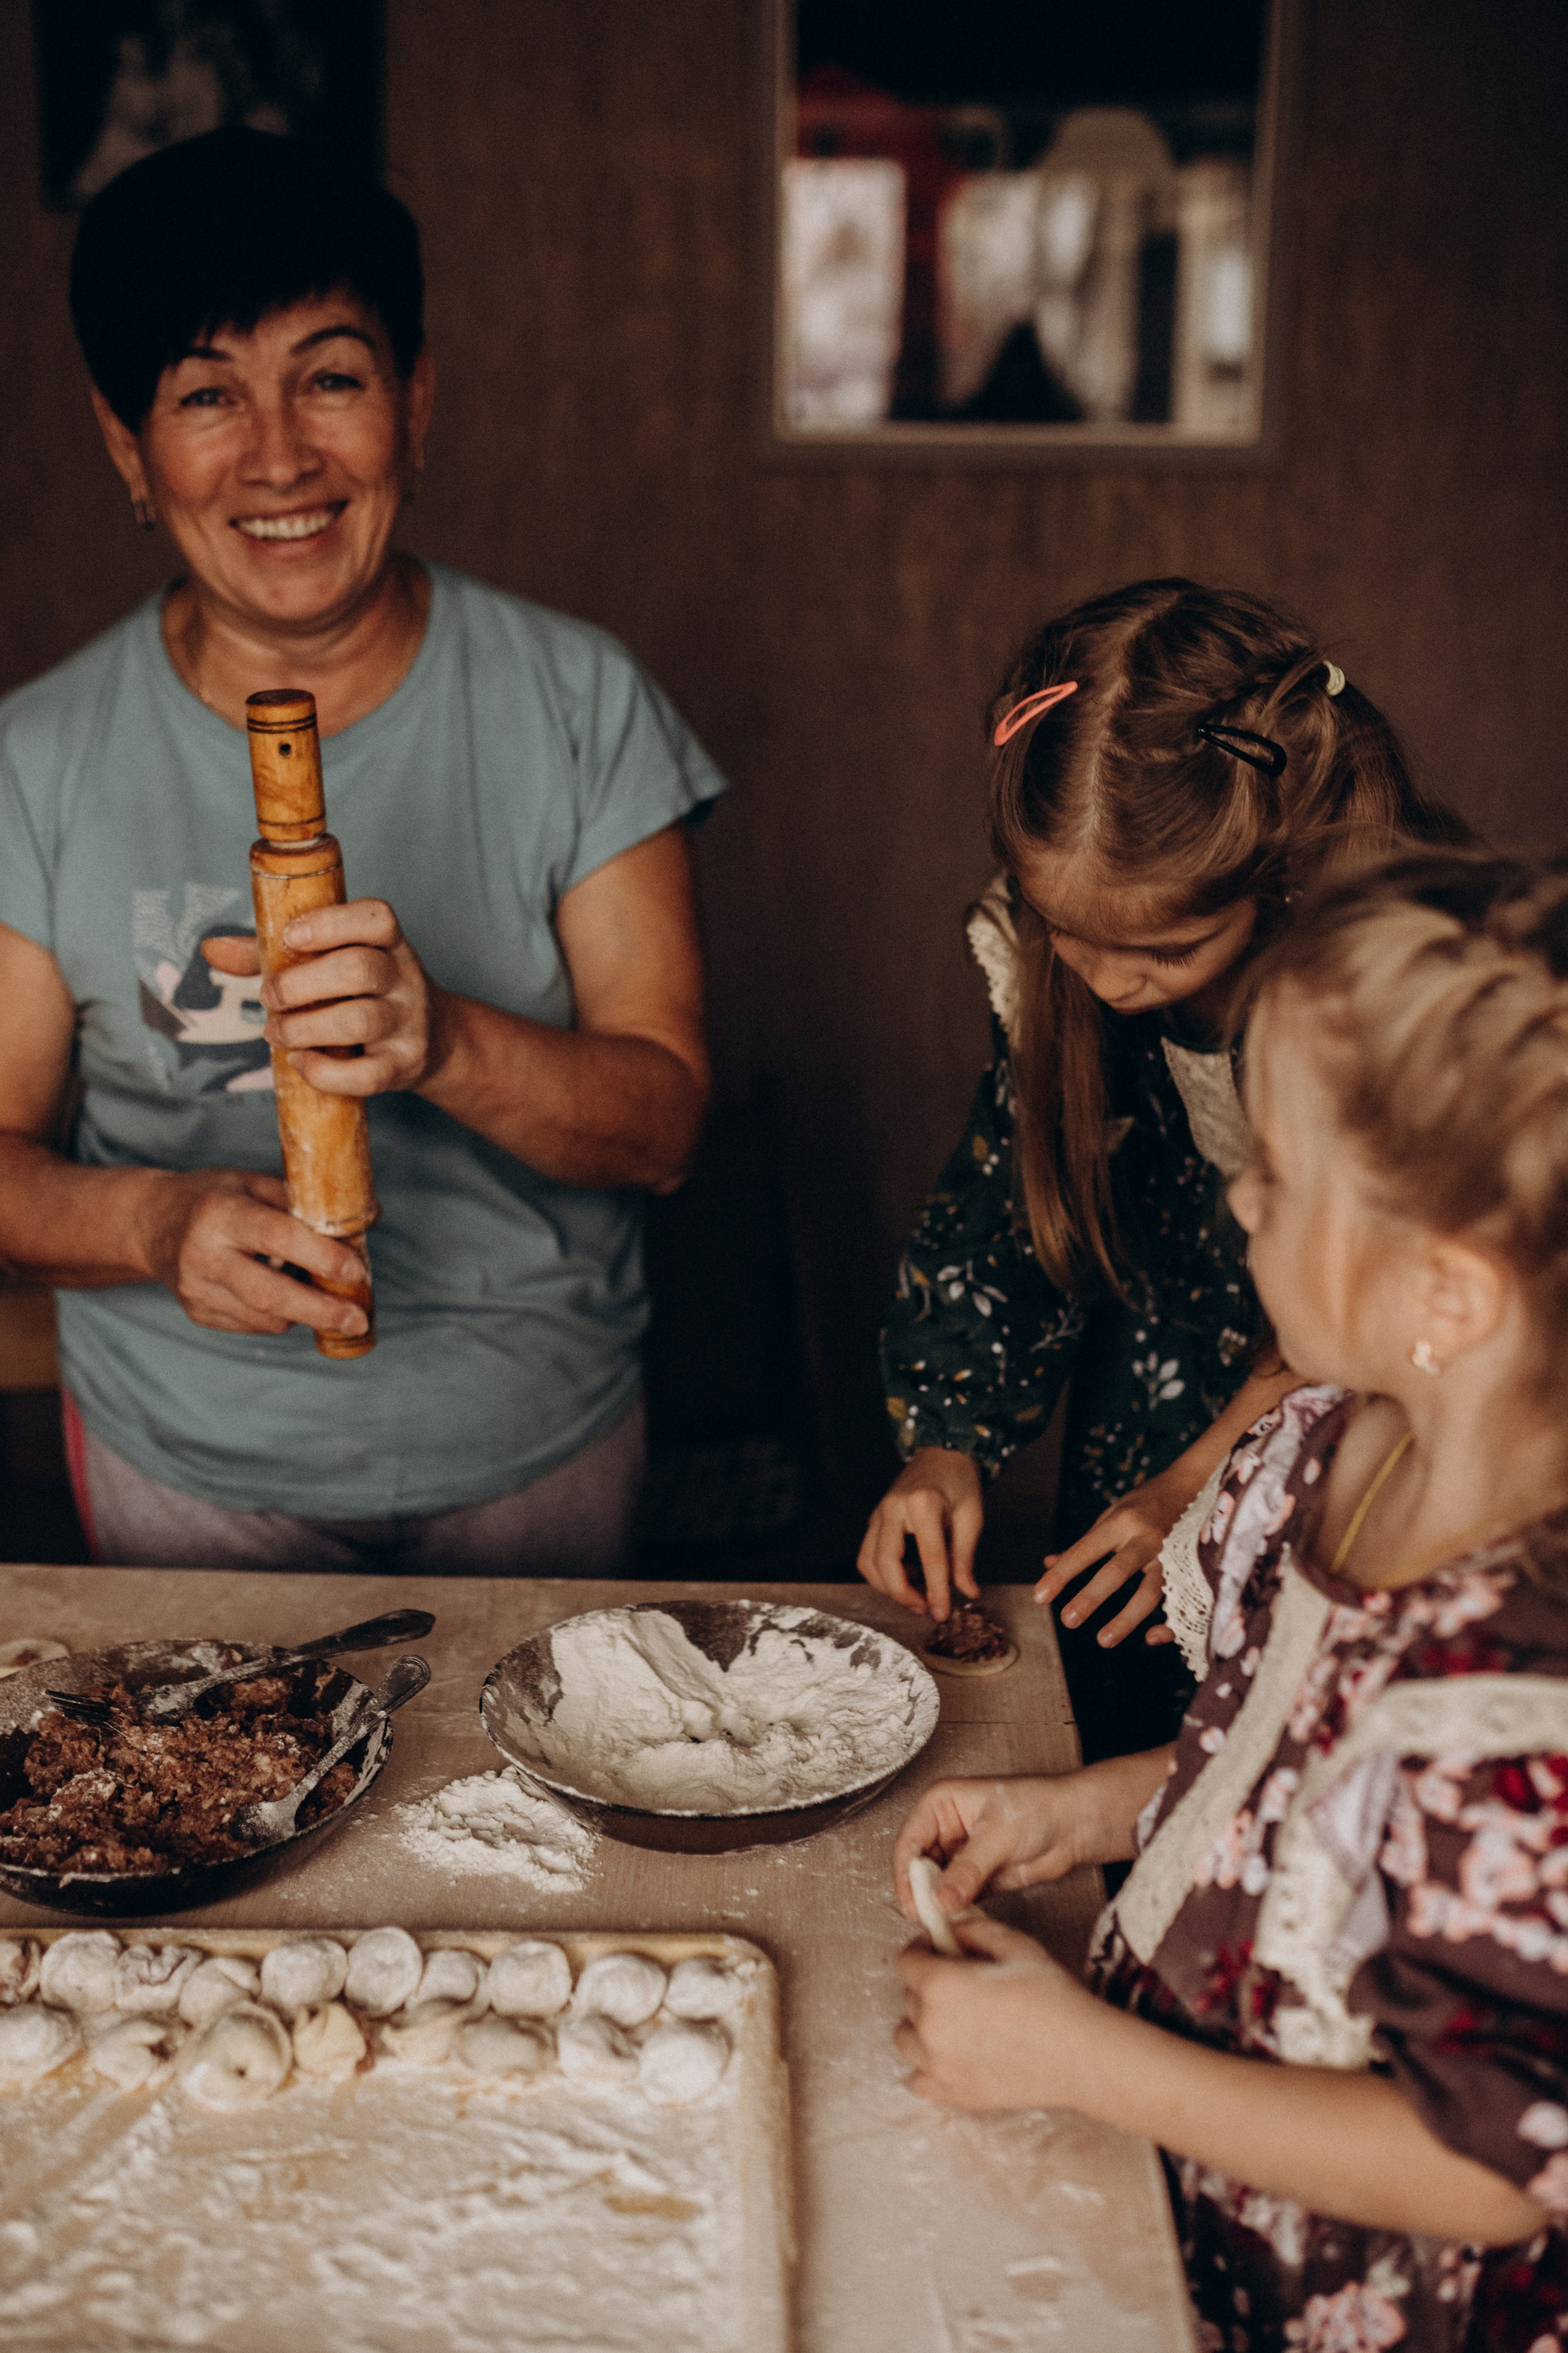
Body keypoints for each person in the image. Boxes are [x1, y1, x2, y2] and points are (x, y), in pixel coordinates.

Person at [0, 129, 725, 1573]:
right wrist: (157, 1225)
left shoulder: (577, 700)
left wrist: (440, 1037)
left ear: (416, 400)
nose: (280, 456)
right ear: (125, 445)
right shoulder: (35, 759)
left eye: (332, 376)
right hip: (188, 1464)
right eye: (208, 394)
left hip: (537, 1444)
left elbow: (662, 1126)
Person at [891, 850, 1568, 2352]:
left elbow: (1494, 2159)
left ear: (1446, 1294)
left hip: (1353, 2300)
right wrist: (1089, 1808)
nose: (1239, 1195)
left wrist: (1086, 2061)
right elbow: (1278, 1762)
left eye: (1276, 1173)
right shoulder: (1309, 1457)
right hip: (1182, 2210)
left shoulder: (1521, 1696)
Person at [858, 579, 1470, 1759]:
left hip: (1349, 1432)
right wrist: (949, 1440)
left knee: (1286, 1744)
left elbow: (1383, 1316)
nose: (1104, 980)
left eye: (1164, 949)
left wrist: (1205, 1478)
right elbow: (1001, 1215)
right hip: (1146, 1412)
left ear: (1277, 873)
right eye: (1064, 933)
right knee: (1124, 1723)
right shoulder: (1083, 966)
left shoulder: (1399, 987)